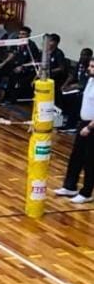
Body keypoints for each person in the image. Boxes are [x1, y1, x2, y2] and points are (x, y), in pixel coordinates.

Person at [55, 59, 94, 203]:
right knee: (76, 156)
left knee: (90, 160)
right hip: (83, 123)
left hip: (91, 126)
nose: (89, 68)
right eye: (90, 66)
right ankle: (70, 186)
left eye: (93, 66)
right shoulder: (90, 81)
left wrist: (89, 127)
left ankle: (86, 192)